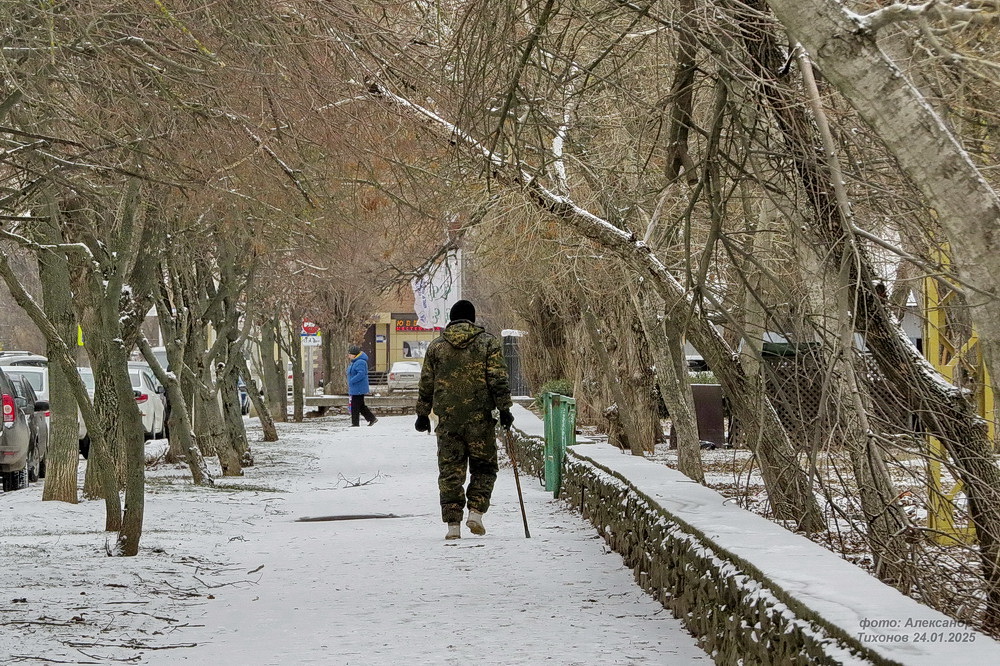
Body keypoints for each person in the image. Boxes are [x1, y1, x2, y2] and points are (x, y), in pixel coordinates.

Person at [414, 300, 514, 540]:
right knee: (484, 467)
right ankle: (476, 513)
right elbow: (498, 379)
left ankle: (453, 526)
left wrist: (422, 413)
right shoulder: (488, 343)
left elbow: (427, 383)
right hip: (480, 420)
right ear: (472, 318)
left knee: (450, 471)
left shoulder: (436, 347)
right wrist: (504, 409)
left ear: (451, 318)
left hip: (448, 421)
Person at [347, 345, 377, 427]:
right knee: (360, 406)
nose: (349, 356)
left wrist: (352, 380)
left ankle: (355, 423)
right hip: (356, 387)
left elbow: (361, 374)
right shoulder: (354, 362)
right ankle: (371, 418)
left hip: (359, 387)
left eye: (350, 354)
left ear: (355, 355)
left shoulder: (360, 362)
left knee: (355, 406)